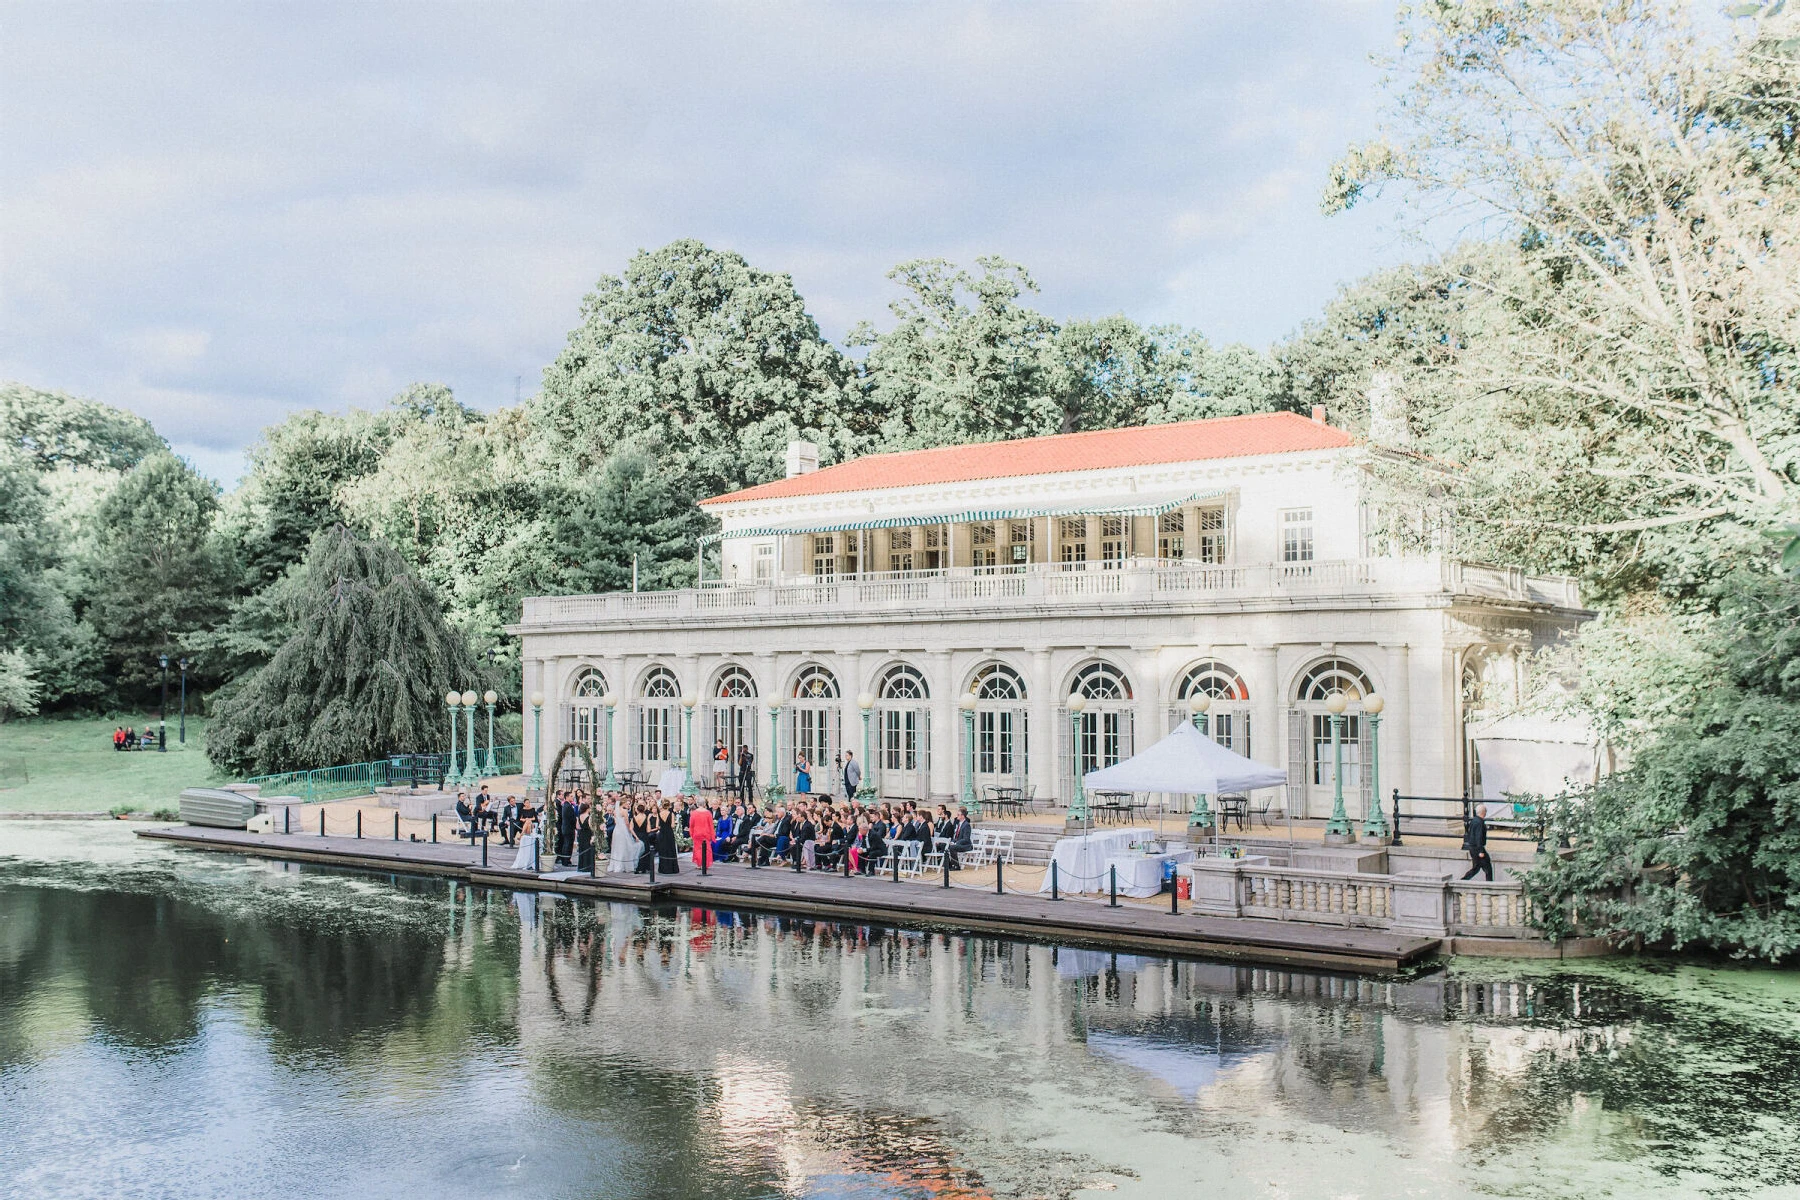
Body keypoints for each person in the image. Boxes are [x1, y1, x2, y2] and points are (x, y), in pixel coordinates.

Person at [1462, 804, 1493, 881]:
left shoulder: (1474, 820)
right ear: (1484, 812)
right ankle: (1489, 885)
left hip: (1472, 848)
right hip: (1477, 848)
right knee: (1487, 868)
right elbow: (1478, 837)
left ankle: (1463, 880)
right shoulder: (1480, 822)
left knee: (1476, 868)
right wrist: (1481, 851)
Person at [608, 799, 641, 874]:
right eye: (626, 803)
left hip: (617, 830)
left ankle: (616, 865)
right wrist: (629, 829)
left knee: (617, 847)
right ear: (622, 803)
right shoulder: (624, 811)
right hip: (623, 829)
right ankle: (624, 865)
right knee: (624, 847)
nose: (627, 805)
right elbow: (627, 822)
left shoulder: (615, 811)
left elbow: (616, 821)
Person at [655, 801, 681, 874]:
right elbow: (672, 825)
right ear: (669, 806)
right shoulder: (671, 814)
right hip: (669, 833)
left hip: (662, 833)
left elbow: (657, 826)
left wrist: (661, 826)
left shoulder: (659, 814)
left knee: (663, 850)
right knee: (670, 850)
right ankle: (672, 869)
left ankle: (663, 868)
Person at [689, 803, 716, 869]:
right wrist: (712, 836)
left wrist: (691, 834)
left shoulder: (694, 813)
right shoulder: (708, 813)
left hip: (697, 833)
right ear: (704, 804)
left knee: (698, 849)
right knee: (706, 849)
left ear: (698, 804)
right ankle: (705, 865)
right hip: (706, 833)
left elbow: (691, 825)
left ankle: (699, 865)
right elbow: (711, 825)